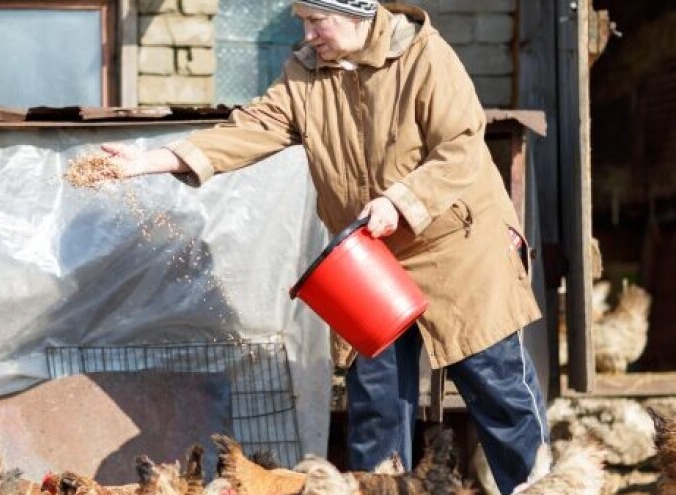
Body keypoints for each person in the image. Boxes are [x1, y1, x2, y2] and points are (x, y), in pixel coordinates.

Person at [102, 1, 549, 493]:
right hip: (370, 258)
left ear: (357, 13)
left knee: (496, 388)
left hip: (457, 245)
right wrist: (155, 160)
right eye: (304, 21)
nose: (309, 33)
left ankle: (538, 486)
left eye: (318, 21)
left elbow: (460, 146)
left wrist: (400, 202)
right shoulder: (305, 73)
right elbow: (252, 127)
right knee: (376, 404)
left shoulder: (426, 57)